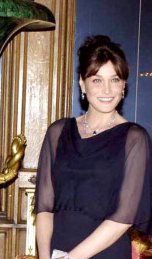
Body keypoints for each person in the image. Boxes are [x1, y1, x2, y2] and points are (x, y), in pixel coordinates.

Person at [34, 35, 152, 259]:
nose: (107, 89)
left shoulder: (135, 138)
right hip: (55, 251)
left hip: (104, 253)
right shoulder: (58, 132)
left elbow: (123, 218)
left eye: (115, 79)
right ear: (82, 83)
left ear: (124, 84)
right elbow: (44, 207)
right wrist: (45, 256)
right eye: (97, 80)